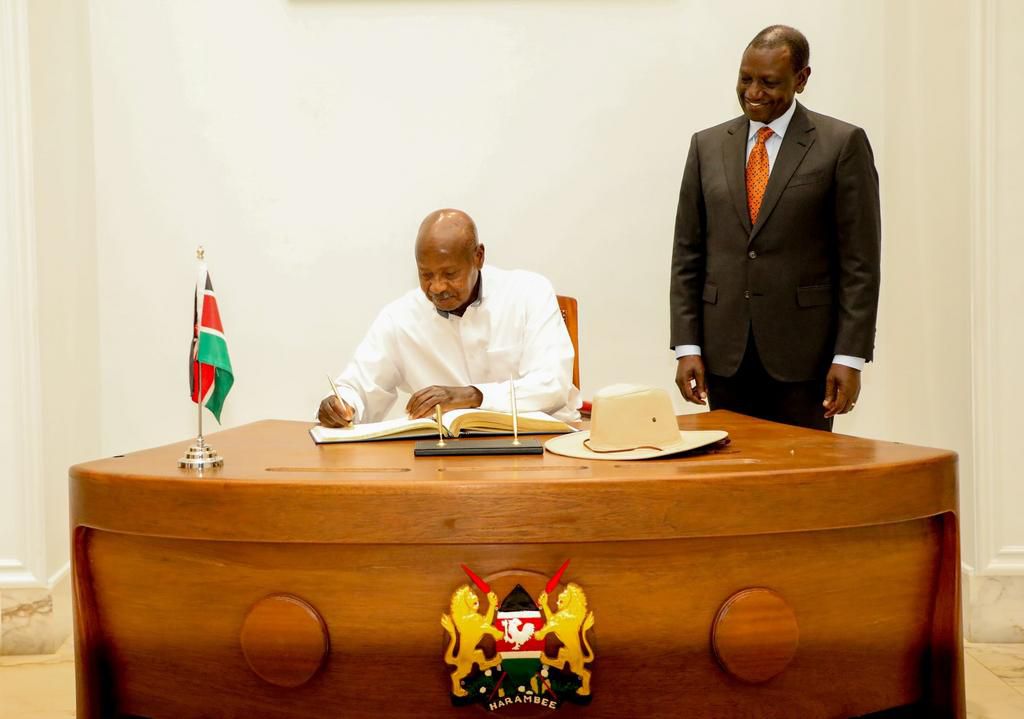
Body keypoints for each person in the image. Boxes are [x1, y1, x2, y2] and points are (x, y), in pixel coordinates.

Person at [669, 25, 880, 431]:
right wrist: (687, 346)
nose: (753, 92)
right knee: (730, 484)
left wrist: (849, 357)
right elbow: (687, 254)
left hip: (805, 359)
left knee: (801, 484)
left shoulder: (842, 144)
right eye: (745, 79)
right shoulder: (706, 146)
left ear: (801, 79)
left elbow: (860, 264)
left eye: (769, 82)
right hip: (723, 357)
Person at [318, 209, 580, 427]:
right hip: (443, 459)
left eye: (449, 274)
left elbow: (552, 385)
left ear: (478, 257)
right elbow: (360, 386)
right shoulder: (400, 318)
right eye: (426, 275)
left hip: (535, 448)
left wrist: (472, 396)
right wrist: (340, 405)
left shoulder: (528, 293)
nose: (437, 287)